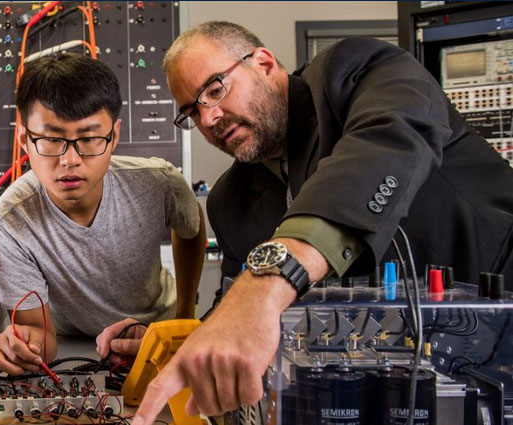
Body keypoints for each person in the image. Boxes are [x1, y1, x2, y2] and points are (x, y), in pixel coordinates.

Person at [131, 22, 513, 425]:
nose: (209, 118)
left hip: (498, 345)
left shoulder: (354, 72)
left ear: (262, 62)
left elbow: (386, 144)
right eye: (192, 111)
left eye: (214, 89)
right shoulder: (231, 202)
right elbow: (238, 309)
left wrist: (272, 277)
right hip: (391, 392)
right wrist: (181, 341)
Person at [0, 53, 207, 376]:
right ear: (24, 139)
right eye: (52, 140)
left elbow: (192, 223)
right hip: (73, 345)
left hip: (156, 332)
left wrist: (185, 315)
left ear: (113, 136)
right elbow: (41, 335)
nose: (70, 159)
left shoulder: (159, 184)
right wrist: (24, 346)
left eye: (88, 139)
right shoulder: (12, 220)